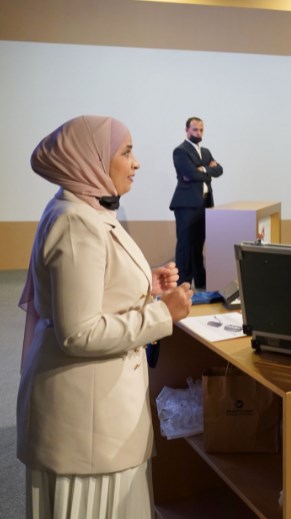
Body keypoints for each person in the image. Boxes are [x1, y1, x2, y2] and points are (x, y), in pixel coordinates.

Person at [17, 115, 193, 518]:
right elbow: (79, 332)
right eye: (126, 152)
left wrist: (145, 283)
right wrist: (162, 315)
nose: (136, 163)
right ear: (92, 159)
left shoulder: (86, 208)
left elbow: (92, 285)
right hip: (87, 423)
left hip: (95, 412)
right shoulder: (76, 223)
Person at [169, 116, 224, 289]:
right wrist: (208, 171)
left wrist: (204, 169)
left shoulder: (206, 152)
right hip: (186, 205)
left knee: (198, 246)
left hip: (205, 204)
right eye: (195, 129)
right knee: (185, 246)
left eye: (201, 130)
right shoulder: (180, 151)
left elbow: (219, 170)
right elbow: (190, 174)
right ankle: (183, 285)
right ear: (187, 130)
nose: (198, 133)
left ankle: (201, 284)